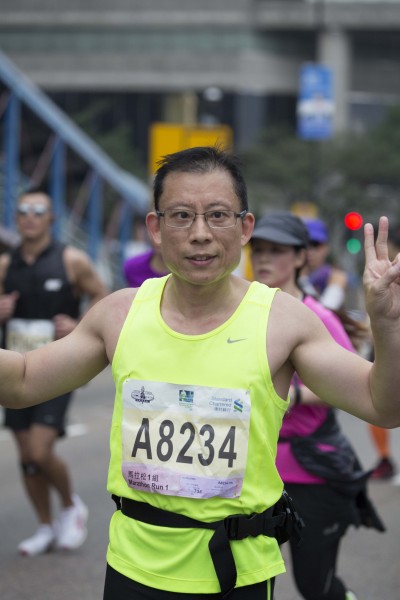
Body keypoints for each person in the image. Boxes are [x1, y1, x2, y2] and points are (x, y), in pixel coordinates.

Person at [0, 147, 400, 600]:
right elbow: (23, 380)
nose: (200, 234)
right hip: (133, 568)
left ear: (244, 227)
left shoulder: (283, 321)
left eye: (218, 215)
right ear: (156, 228)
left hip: (238, 574)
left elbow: (383, 406)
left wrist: (388, 326)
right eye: (181, 216)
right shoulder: (119, 314)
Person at [249, 211, 385, 600]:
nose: (264, 259)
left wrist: (292, 396)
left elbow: (354, 387)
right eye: (258, 249)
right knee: (247, 580)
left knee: (315, 588)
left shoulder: (319, 318)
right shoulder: (241, 315)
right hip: (254, 472)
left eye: (276, 250)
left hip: (312, 473)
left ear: (300, 257)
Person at [0, 189, 108, 557]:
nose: (30, 216)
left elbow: (101, 295)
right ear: (16, 218)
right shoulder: (5, 265)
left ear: (51, 219)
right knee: (27, 459)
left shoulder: (71, 260)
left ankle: (70, 505)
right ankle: (45, 526)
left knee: (39, 450)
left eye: (38, 210)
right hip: (14, 368)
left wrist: (78, 325)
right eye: (23, 210)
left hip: (57, 367)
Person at [367, 224, 400, 480]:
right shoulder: (381, 275)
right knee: (376, 400)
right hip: (384, 347)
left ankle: (385, 457)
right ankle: (384, 457)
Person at [300, 217, 349, 311]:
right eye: (305, 245)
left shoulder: (336, 276)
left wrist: (302, 280)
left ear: (326, 248)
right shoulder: (287, 275)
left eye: (315, 245)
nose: (310, 250)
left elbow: (326, 310)